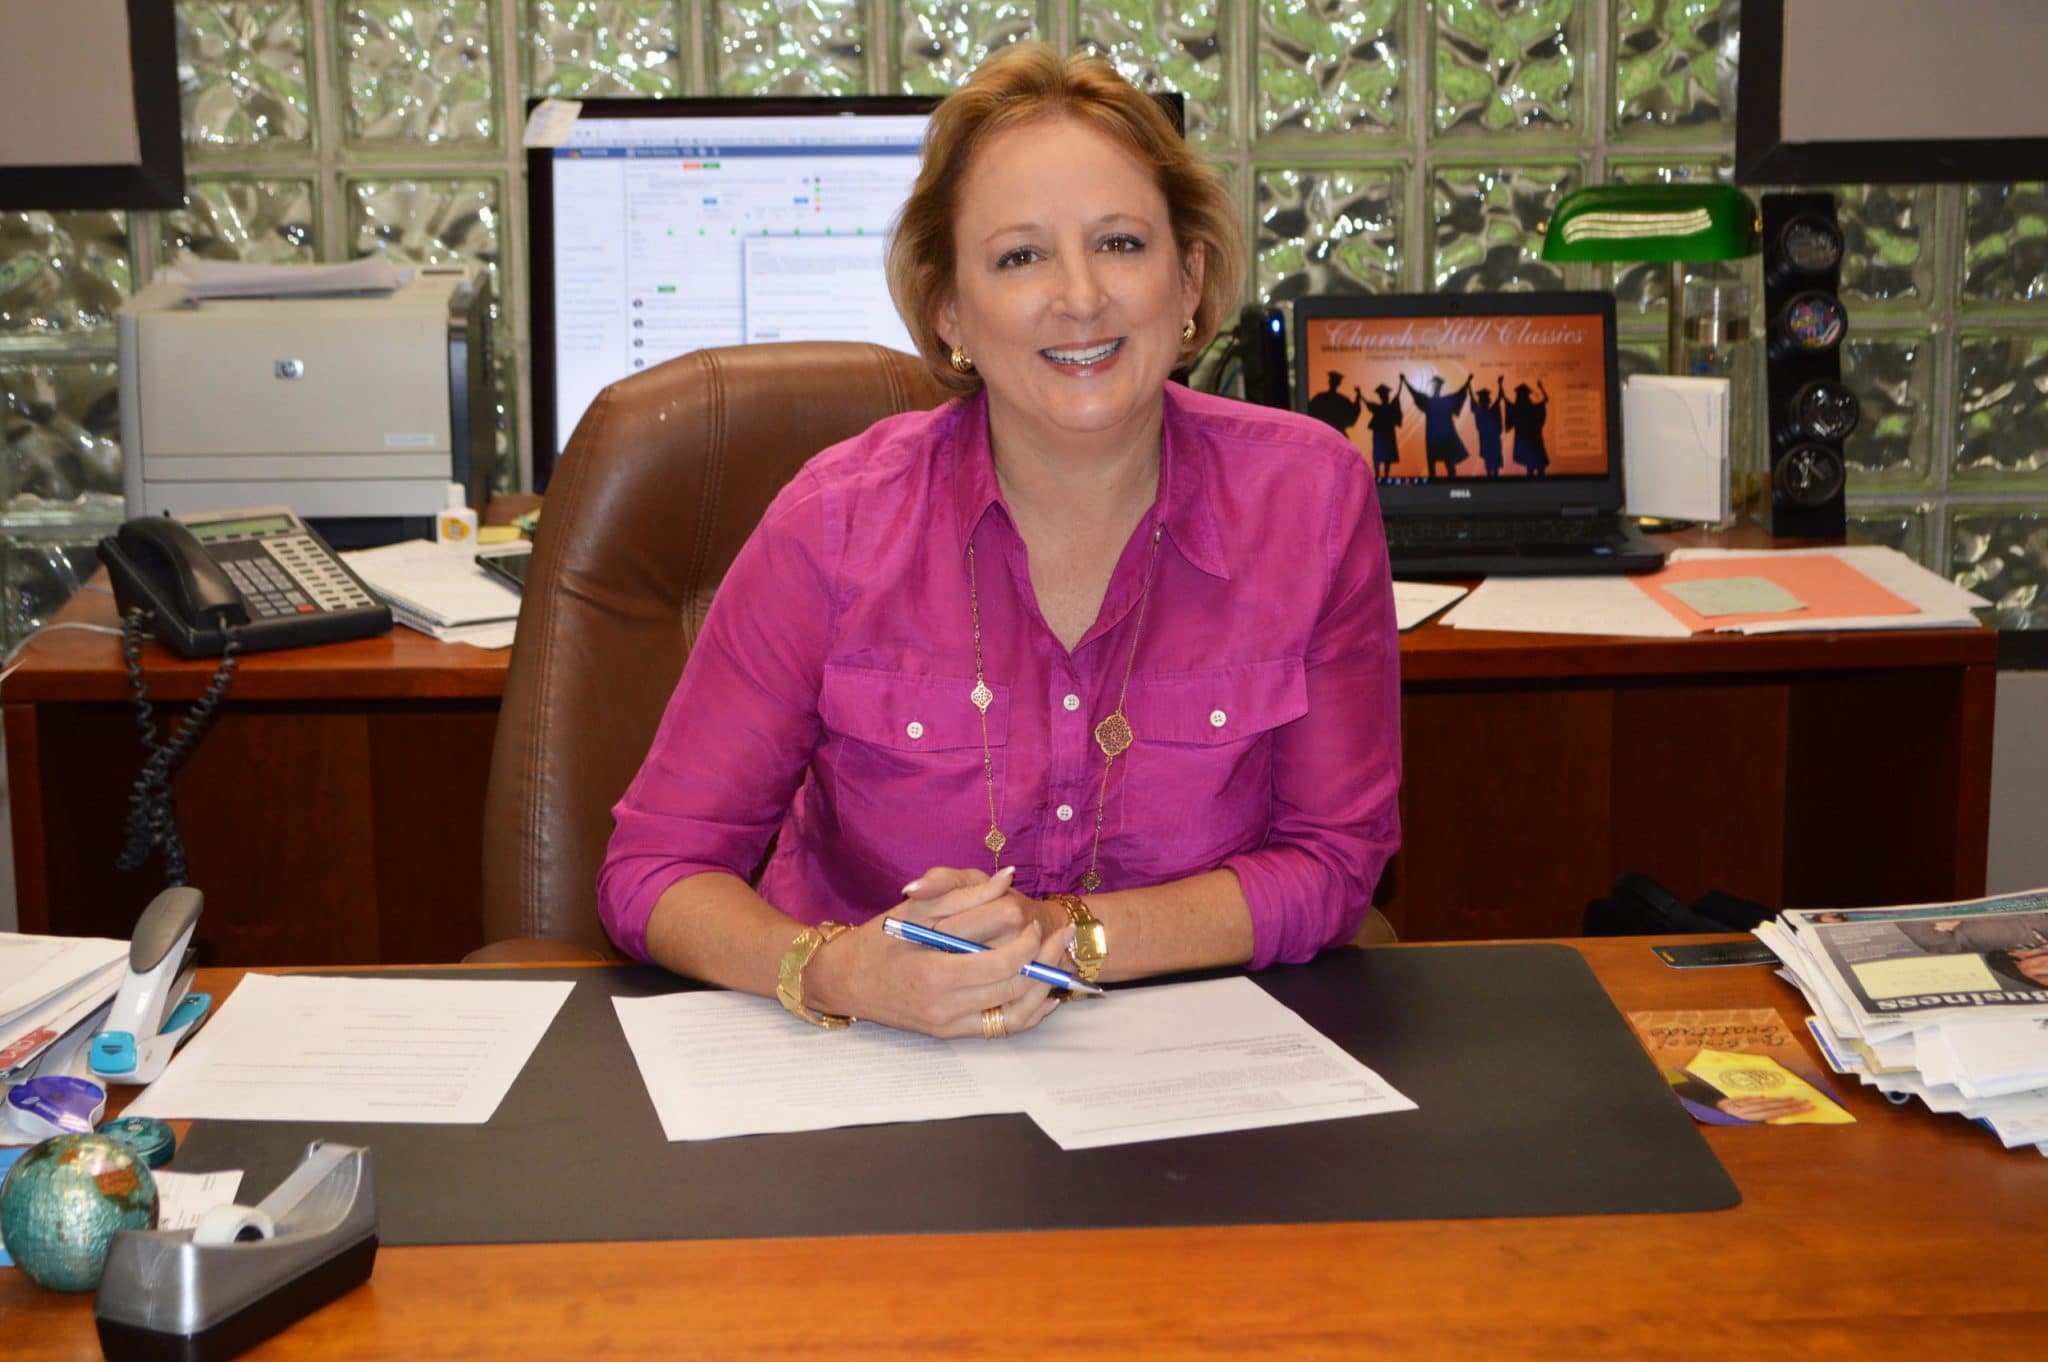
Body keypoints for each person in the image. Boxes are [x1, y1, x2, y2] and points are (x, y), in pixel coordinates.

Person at [597, 44, 1401, 1042]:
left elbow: (1334, 861)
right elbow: (652, 873)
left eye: (1119, 243)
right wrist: (844, 971)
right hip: (875, 1061)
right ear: (948, 312)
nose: (1078, 296)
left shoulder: (1310, 500)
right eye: (1018, 255)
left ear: (1188, 278)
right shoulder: (831, 525)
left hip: (1189, 1065)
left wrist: (1067, 937)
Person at [1401, 373, 1470, 479]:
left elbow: (1460, 393)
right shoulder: (1431, 402)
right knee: (1434, 464)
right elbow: (1415, 394)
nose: (1436, 387)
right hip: (1435, 437)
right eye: (1435, 384)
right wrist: (1405, 381)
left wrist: (1468, 381)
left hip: (1443, 437)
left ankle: (1450, 485)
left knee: (1448, 463)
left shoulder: (1441, 401)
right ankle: (1434, 489)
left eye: (1437, 385)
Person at [1507, 380, 1550, 477]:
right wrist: (1541, 387)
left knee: (1531, 468)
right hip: (1534, 441)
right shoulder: (1529, 408)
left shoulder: (1518, 409)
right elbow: (1546, 399)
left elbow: (1545, 400)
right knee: (1538, 468)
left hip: (1529, 442)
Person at [1305, 370, 1364, 436]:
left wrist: (1358, 397)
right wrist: (1358, 397)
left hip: (1329, 432)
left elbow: (1353, 412)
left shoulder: (1321, 397)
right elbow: (1353, 412)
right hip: (1329, 432)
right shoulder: (1341, 400)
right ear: (1339, 383)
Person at [1362, 383, 1402, 479]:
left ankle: (1385, 476)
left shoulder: (1389, 407)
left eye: (1385, 394)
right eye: (1383, 394)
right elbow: (1367, 403)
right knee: (1378, 455)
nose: (1385, 396)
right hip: (1380, 434)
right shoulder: (1379, 408)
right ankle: (1378, 476)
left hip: (1386, 433)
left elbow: (1397, 395)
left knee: (1386, 456)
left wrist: (1401, 383)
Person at [1470, 375, 1506, 478]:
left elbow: (1499, 398)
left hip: (1489, 439)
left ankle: (1492, 478)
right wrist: (1500, 384)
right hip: (1490, 439)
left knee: (1490, 462)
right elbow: (1499, 398)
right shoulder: (1483, 411)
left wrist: (1500, 384)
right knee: (1491, 463)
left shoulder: (1480, 411)